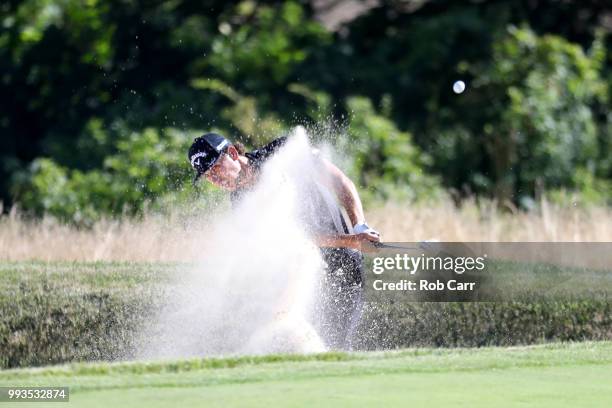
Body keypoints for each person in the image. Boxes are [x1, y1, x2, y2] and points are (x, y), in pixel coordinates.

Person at [188, 131, 381, 349]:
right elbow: (298, 239)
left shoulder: (283, 152)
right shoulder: (242, 204)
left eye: (215, 168)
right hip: (304, 271)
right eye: (208, 176)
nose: (215, 179)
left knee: (338, 343)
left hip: (343, 262)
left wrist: (360, 228)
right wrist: (353, 239)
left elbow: (339, 181)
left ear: (232, 153)